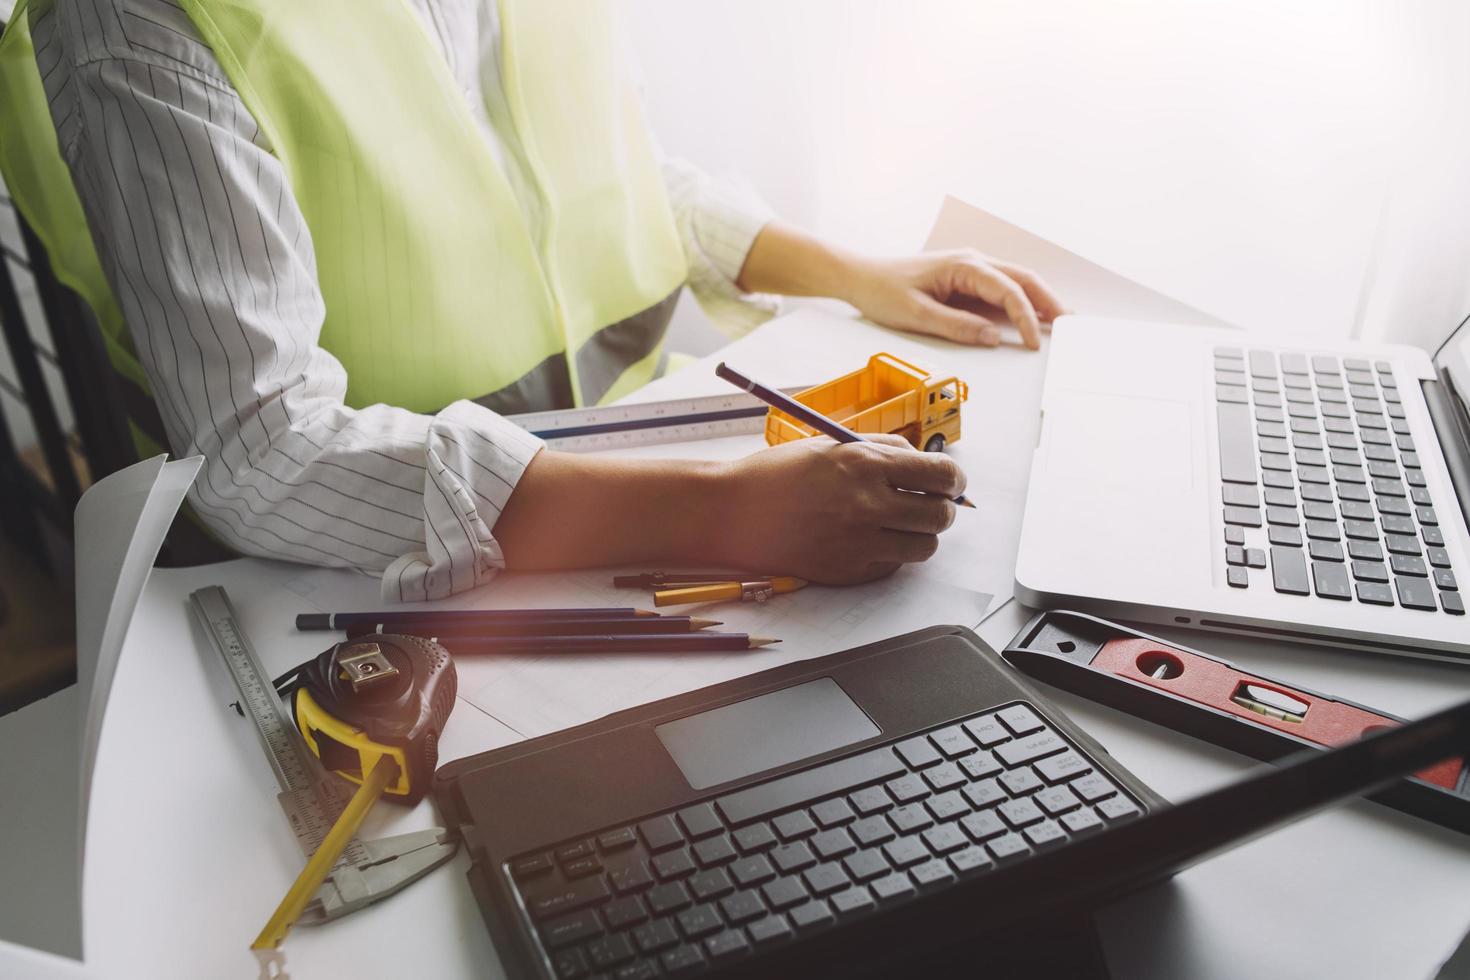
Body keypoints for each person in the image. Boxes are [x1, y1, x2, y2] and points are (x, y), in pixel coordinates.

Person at [4, 0, 1064, 600]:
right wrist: (723, 510)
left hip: (638, 465)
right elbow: (262, 450)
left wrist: (849, 271)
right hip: (382, 565)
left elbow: (604, 165)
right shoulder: (134, 20)